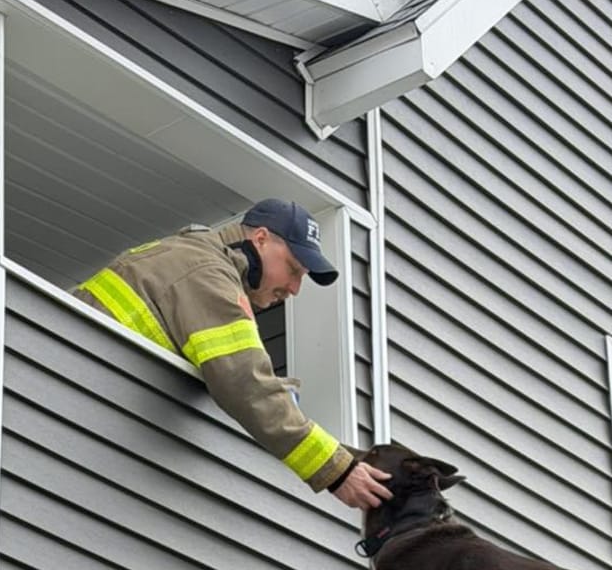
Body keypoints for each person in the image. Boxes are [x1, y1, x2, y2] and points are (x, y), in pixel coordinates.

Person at [76, 199, 392, 511]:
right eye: (294, 269)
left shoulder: (197, 259)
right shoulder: (206, 273)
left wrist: (347, 459)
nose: (295, 288)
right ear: (261, 239)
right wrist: (335, 471)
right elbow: (245, 384)